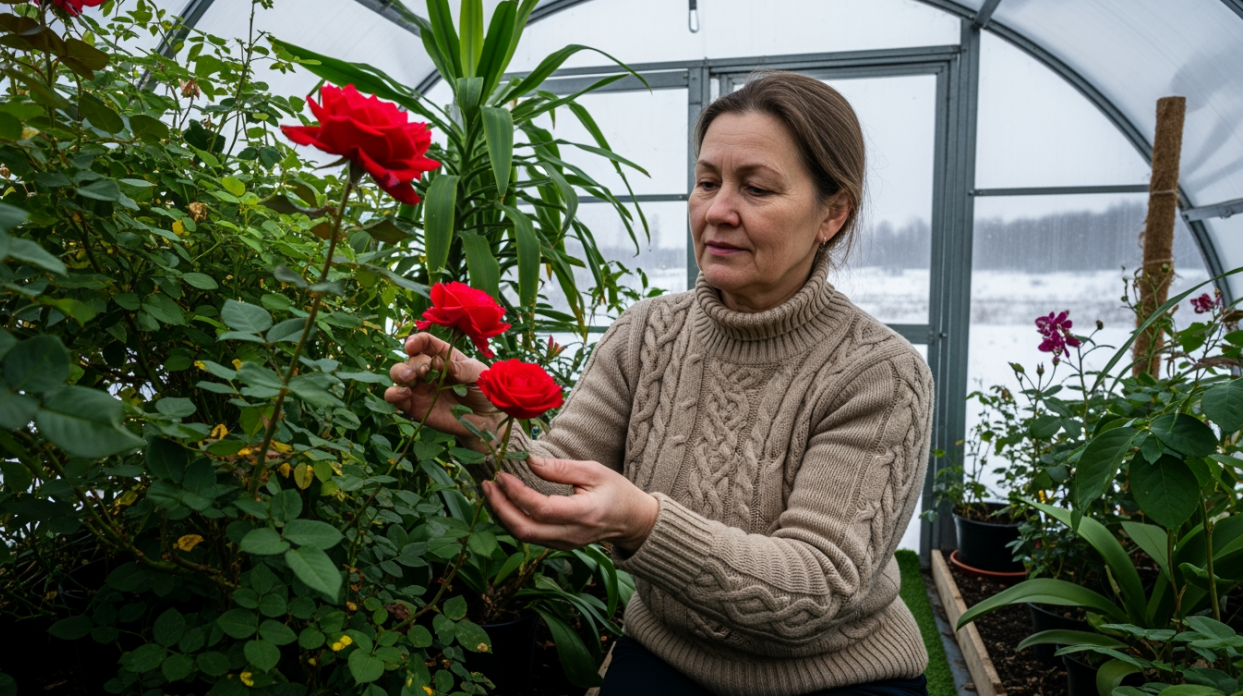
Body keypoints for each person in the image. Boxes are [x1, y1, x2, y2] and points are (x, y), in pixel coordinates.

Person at [385, 70, 934, 696]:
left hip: (837, 677)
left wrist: (645, 524)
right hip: (668, 655)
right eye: (707, 182)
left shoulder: (879, 373)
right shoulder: (649, 333)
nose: (718, 211)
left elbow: (816, 586)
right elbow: (556, 478)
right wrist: (487, 425)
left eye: (755, 188)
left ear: (832, 214)